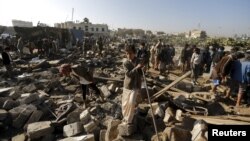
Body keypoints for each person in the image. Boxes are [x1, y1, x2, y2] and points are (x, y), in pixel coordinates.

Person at [122, 44, 143, 124]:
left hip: (135, 85)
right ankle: (125, 116)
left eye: (130, 53)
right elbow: (129, 74)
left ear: (134, 53)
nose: (128, 55)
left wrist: (142, 68)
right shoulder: (125, 63)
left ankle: (129, 120)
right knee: (125, 104)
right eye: (127, 53)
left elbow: (140, 74)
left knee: (131, 102)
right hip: (127, 85)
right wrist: (137, 68)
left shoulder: (138, 61)